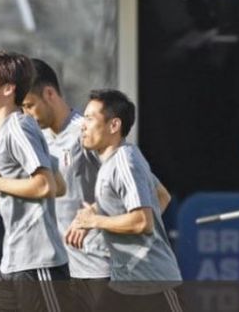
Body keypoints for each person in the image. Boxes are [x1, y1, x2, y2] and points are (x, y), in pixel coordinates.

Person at [18, 59, 173, 310]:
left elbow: (159, 196)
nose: (26, 115)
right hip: (67, 273)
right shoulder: (40, 141)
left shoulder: (89, 134)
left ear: (49, 94)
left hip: (104, 272)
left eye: (30, 106)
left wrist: (101, 223)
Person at [0, 51, 70, 312]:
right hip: (13, 263)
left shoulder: (18, 127)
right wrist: (2, 195)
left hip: (38, 265)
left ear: (8, 88)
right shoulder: (11, 131)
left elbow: (47, 185)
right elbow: (59, 184)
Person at [70, 89, 182, 311]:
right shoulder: (114, 160)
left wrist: (95, 221)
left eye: (90, 119)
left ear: (114, 126)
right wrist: (94, 216)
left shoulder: (125, 162)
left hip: (155, 285)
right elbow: (161, 195)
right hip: (124, 284)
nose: (83, 125)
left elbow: (142, 221)